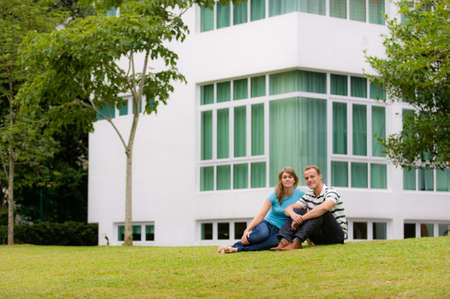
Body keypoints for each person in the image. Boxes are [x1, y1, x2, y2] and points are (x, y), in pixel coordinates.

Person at [217, 167, 305, 253]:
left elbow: (304, 215)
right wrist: (247, 230)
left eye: (290, 177)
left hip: (281, 231)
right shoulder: (274, 195)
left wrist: (305, 236)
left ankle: (237, 249)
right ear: (281, 180)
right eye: (284, 177)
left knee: (273, 243)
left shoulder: (301, 194)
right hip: (267, 224)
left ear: (294, 180)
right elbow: (261, 215)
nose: (287, 179)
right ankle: (233, 246)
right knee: (262, 235)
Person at [270, 165, 347, 251]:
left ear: (320, 176)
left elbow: (325, 208)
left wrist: (302, 219)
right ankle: (284, 241)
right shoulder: (308, 195)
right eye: (307, 178)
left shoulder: (331, 191)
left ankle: (296, 242)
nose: (309, 180)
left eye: (312, 177)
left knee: (321, 212)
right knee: (296, 210)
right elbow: (288, 208)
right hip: (319, 238)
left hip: (336, 236)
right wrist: (294, 215)